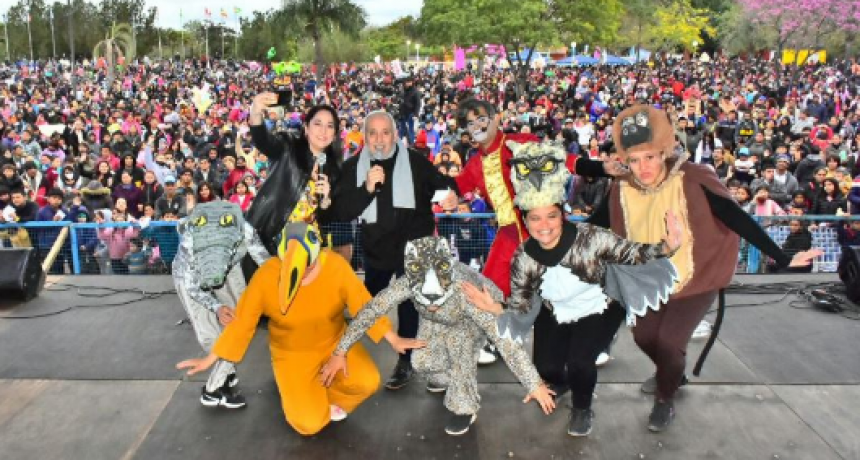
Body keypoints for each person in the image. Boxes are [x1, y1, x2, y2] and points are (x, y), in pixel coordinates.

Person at [589, 104, 820, 432]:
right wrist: (550, 247)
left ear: (665, 150)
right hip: (647, 278)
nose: (642, 167)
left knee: (670, 343)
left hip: (695, 275)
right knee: (643, 337)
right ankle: (672, 372)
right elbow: (591, 226)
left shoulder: (694, 176)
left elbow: (736, 217)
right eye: (635, 159)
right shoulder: (620, 187)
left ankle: (664, 399)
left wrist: (782, 257)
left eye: (651, 157)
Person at [464, 141, 683, 437]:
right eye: (535, 218)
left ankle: (582, 407)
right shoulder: (524, 255)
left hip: (599, 306)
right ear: (526, 221)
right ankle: (567, 382)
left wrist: (667, 246)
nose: (544, 226)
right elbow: (523, 303)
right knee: (546, 367)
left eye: (551, 216)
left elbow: (631, 253)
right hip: (554, 309)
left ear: (562, 215)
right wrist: (493, 307)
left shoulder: (589, 237)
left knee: (580, 362)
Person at [177, 223, 411, 436]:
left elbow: (363, 304)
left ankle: (324, 396)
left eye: (308, 265)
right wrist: (210, 359)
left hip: (335, 344)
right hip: (292, 354)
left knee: (367, 381)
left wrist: (393, 339)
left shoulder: (335, 267)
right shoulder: (267, 275)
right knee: (308, 425)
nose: (303, 272)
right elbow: (243, 321)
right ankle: (306, 396)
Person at [323, 234, 556, 436]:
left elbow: (504, 341)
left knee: (459, 345)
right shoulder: (408, 282)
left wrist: (533, 383)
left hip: (471, 317)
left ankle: (465, 407)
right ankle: (451, 378)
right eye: (426, 299)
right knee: (420, 361)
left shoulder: (467, 292)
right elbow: (371, 310)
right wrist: (340, 351)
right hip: (434, 322)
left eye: (436, 299)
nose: (432, 303)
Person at [452, 98, 623, 364]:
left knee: (573, 285)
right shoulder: (474, 165)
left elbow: (564, 160)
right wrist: (445, 194)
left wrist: (601, 168)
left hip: (548, 230)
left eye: (482, 119)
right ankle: (501, 339)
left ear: (496, 118)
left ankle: (600, 340)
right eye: (470, 123)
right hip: (510, 236)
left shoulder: (521, 142)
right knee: (488, 288)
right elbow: (454, 186)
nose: (477, 127)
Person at [331, 110, 458, 390]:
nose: (379, 139)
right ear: (364, 136)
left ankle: (407, 361)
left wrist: (451, 197)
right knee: (365, 306)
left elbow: (446, 185)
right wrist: (366, 187)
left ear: (395, 134)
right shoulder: (353, 168)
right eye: (372, 133)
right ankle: (341, 355)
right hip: (376, 252)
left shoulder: (416, 162)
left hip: (414, 252)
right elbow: (342, 211)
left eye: (385, 132)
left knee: (414, 309)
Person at [172, 202, 270, 409]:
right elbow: (191, 286)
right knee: (210, 335)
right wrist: (216, 307)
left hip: (229, 268)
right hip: (192, 277)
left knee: (239, 323)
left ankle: (224, 371)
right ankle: (213, 388)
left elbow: (265, 263)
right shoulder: (190, 237)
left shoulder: (244, 229)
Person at [245, 93, 340, 256]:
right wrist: (255, 113)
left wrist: (325, 201)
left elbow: (326, 218)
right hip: (270, 239)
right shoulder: (288, 146)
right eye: (317, 123)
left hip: (307, 246)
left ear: (335, 134)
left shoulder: (333, 168)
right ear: (306, 127)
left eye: (330, 126)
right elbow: (264, 141)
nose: (323, 131)